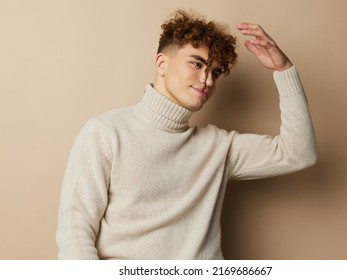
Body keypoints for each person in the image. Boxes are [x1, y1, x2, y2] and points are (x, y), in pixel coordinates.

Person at [56, 9, 317, 260]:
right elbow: (74, 232)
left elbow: (298, 153)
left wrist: (283, 71)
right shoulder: (106, 133)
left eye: (215, 72)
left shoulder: (219, 147)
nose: (207, 80)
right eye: (197, 64)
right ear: (161, 63)